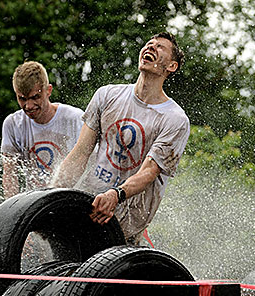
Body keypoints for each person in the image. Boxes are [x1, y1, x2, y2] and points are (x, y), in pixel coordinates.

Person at [51, 32, 190, 245]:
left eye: (160, 47)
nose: (151, 47)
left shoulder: (175, 119)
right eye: (148, 43)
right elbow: (80, 152)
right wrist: (50, 199)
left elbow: (149, 172)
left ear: (172, 66)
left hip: (127, 225)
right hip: (89, 207)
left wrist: (116, 194)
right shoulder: (107, 96)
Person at [1, 61, 84, 199]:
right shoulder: (12, 124)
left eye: (35, 97)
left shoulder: (75, 119)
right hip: (35, 204)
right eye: (22, 99)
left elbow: (90, 165)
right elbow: (10, 174)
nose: (29, 106)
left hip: (72, 199)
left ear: (48, 91)